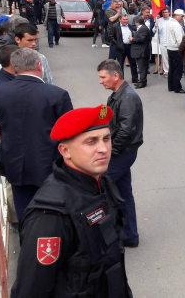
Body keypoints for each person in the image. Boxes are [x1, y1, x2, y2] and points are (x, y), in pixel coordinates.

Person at [11, 105, 133, 298]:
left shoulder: (102, 182)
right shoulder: (51, 215)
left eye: (106, 139)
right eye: (91, 141)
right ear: (65, 151)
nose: (103, 149)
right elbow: (30, 290)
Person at [0, 48, 73, 216]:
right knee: (52, 214)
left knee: (24, 212)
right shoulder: (57, 94)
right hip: (50, 166)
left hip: (15, 165)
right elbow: (69, 130)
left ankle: (26, 240)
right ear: (39, 65)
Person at [98, 59, 143, 248]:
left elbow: (126, 130)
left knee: (101, 189)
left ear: (115, 76)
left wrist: (110, 152)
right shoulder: (117, 94)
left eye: (103, 77)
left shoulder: (128, 98)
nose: (100, 81)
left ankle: (108, 235)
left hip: (121, 153)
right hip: (120, 152)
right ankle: (129, 235)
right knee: (123, 193)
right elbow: (109, 119)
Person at [166, 9, 185, 93]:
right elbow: (180, 40)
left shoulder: (169, 23)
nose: (182, 18)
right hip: (176, 49)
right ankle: (177, 87)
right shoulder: (176, 25)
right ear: (177, 15)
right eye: (182, 16)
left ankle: (171, 86)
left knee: (171, 68)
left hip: (170, 48)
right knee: (178, 69)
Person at [129, 16, 151, 89]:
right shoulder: (142, 28)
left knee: (142, 68)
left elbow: (141, 39)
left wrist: (132, 39)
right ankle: (142, 81)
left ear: (137, 22)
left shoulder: (143, 29)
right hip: (141, 51)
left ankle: (142, 82)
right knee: (142, 68)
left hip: (142, 51)